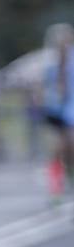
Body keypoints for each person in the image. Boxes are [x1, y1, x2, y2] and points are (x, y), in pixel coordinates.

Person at [40, 23, 73, 203]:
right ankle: (55, 188)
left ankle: (70, 175)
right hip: (54, 111)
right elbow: (42, 86)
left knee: (70, 146)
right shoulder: (48, 63)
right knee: (55, 149)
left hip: (71, 112)